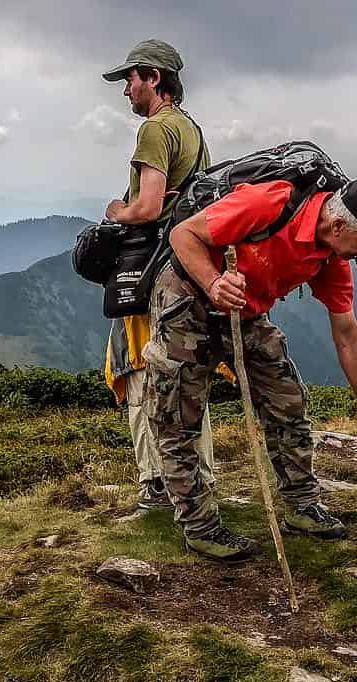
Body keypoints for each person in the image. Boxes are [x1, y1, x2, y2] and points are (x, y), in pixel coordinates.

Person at [146, 176, 357, 560]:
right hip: (189, 300)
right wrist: (214, 283)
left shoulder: (331, 257)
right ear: (338, 226)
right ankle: (199, 526)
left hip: (246, 311)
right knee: (177, 415)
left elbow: (347, 334)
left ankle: (302, 506)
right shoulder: (267, 205)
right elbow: (184, 235)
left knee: (288, 400)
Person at [97, 39, 218, 510]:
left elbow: (148, 207)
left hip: (150, 272)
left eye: (130, 78)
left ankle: (157, 483)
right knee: (184, 375)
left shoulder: (155, 130)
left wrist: (116, 211)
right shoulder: (192, 130)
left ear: (153, 78)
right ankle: (197, 479)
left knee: (142, 369)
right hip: (186, 269)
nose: (126, 89)